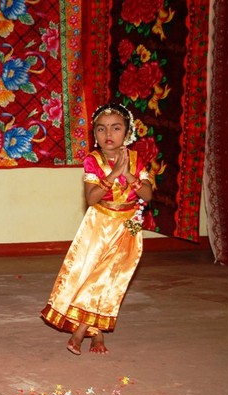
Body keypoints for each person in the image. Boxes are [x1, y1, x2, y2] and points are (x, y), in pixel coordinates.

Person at [40, 103, 155, 355]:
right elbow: (92, 199)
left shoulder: (136, 159)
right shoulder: (93, 161)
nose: (108, 134)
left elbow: (147, 195)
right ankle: (97, 334)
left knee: (107, 279)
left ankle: (80, 332)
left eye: (116, 128)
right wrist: (113, 175)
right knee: (92, 276)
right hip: (99, 226)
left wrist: (129, 175)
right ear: (95, 134)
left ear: (128, 132)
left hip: (127, 228)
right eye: (102, 129)